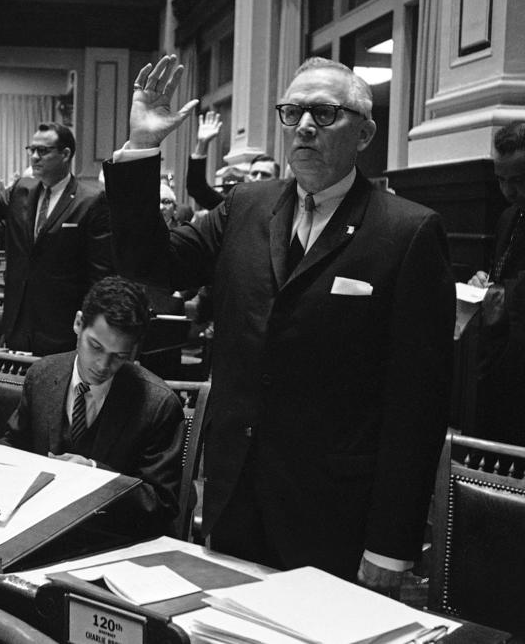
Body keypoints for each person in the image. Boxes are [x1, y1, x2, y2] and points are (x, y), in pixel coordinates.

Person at [103, 55, 454, 592]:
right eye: (293, 112)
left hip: (335, 513)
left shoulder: (408, 232)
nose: (305, 125)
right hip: (236, 494)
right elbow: (148, 264)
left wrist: (392, 544)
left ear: (365, 133)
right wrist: (143, 147)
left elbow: (418, 403)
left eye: (325, 113)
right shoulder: (246, 203)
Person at [0, 275, 184, 536]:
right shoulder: (41, 375)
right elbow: (14, 443)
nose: (101, 365)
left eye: (119, 356)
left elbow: (161, 503)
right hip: (35, 525)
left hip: (107, 537)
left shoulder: (158, 404)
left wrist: (94, 476)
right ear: (78, 324)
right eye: (95, 346)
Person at [0, 117, 113, 355]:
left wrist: (90, 323)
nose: (34, 156)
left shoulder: (91, 201)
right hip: (18, 322)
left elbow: (100, 273)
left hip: (63, 326)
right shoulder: (21, 190)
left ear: (65, 154)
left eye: (43, 151)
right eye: (32, 150)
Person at [467, 121, 525, 446]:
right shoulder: (509, 217)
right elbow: (500, 273)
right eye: (501, 180)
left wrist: (506, 296)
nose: (508, 191)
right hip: (503, 358)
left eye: (518, 180)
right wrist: (485, 283)